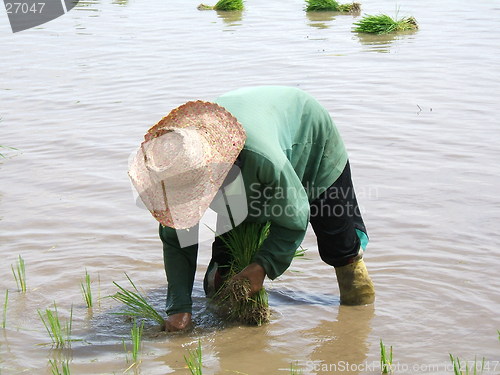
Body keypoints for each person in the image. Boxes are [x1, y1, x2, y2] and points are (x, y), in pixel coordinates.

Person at [128, 86, 375, 332]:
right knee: (227, 264)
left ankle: (358, 321)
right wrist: (179, 309)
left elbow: (295, 215)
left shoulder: (263, 159)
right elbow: (177, 240)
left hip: (308, 136)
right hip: (245, 156)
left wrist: (261, 266)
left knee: (339, 245)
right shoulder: (178, 169)